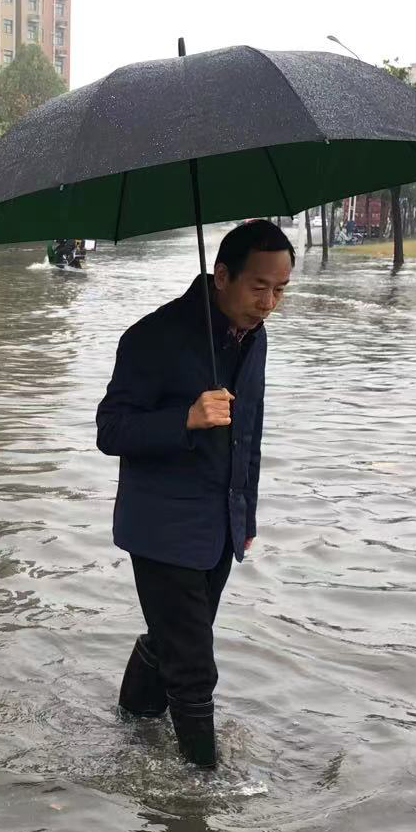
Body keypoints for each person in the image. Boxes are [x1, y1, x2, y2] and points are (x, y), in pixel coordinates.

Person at [95, 220, 294, 769]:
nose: (269, 303)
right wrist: (184, 418)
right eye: (259, 287)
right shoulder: (151, 337)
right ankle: (202, 797)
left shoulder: (254, 338)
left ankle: (132, 723)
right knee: (193, 666)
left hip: (219, 522)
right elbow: (110, 431)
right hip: (162, 527)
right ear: (221, 275)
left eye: (280, 290)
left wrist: (245, 513)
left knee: (176, 637)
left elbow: (250, 432)